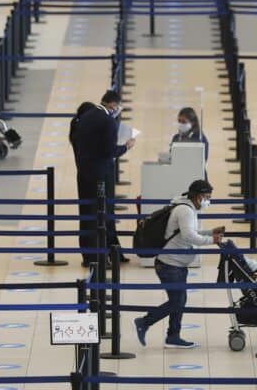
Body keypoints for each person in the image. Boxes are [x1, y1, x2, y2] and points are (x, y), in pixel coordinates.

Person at [134, 180, 224, 349]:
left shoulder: (186, 208)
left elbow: (188, 233)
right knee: (177, 301)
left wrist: (210, 232)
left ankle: (173, 336)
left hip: (175, 264)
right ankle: (145, 322)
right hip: (169, 265)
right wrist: (211, 240)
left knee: (179, 300)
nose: (207, 201)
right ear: (198, 197)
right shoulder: (185, 211)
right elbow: (190, 236)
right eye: (206, 197)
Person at [72, 91, 135, 266]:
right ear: (113, 105)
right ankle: (101, 256)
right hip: (101, 176)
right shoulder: (108, 121)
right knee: (102, 213)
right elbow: (110, 151)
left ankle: (89, 255)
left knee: (86, 214)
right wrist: (126, 147)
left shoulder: (86, 116)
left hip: (84, 173)